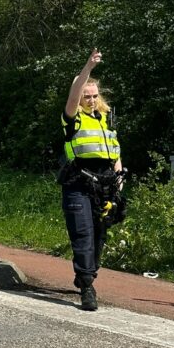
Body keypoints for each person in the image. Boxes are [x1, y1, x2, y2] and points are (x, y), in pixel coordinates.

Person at [60, 48, 123, 311]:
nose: (91, 100)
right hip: (78, 182)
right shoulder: (72, 118)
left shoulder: (106, 121)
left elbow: (116, 153)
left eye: (95, 96)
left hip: (104, 185)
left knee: (99, 235)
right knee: (83, 233)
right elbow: (74, 93)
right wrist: (88, 68)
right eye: (87, 96)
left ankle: (87, 273)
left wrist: (119, 181)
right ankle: (87, 287)